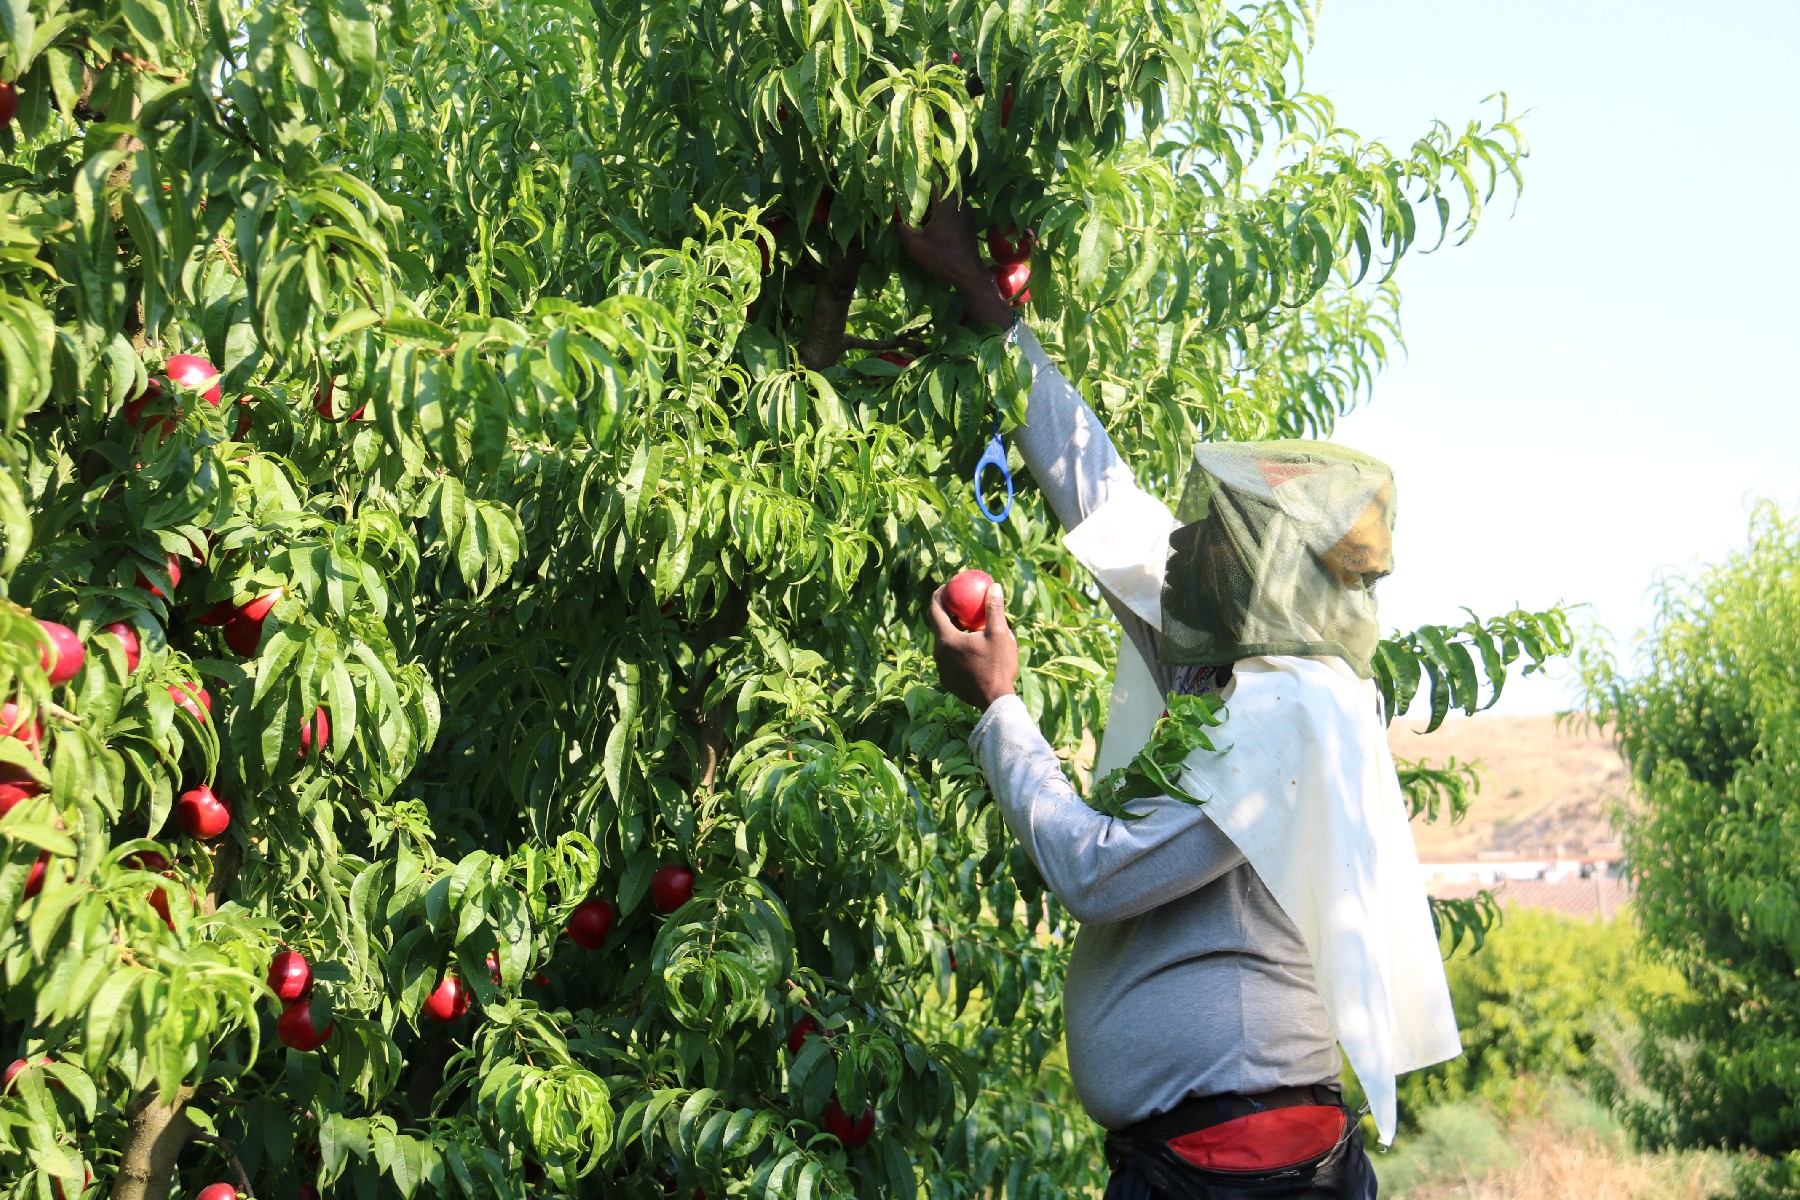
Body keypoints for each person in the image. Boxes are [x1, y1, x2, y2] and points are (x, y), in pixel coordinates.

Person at [899, 196, 1459, 1200]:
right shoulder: (1232, 665)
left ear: (1258, 580)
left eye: (1211, 536)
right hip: (1208, 1160)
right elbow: (1102, 497)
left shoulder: (1291, 720)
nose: (1182, 541)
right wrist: (980, 296)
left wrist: (998, 710)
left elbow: (1097, 872)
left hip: (1247, 1174)